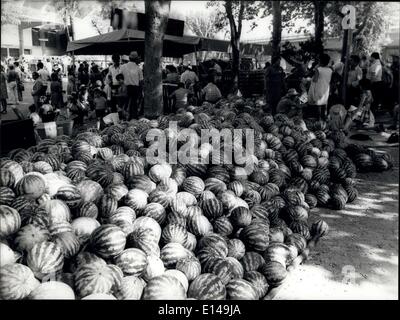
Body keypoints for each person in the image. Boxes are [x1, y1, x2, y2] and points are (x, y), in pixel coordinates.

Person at [306, 53, 333, 121]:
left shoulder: (318, 69)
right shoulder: (330, 70)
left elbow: (315, 80)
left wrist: (310, 78)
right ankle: (323, 120)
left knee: (318, 105)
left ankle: (319, 120)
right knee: (324, 104)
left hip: (318, 88)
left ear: (320, 61)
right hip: (326, 89)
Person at [120, 51, 143, 120]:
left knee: (125, 104)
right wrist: (140, 91)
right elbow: (141, 81)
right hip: (135, 88)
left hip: (125, 87)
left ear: (129, 58)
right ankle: (133, 118)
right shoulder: (138, 68)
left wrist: (122, 84)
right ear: (136, 59)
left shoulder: (123, 66)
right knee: (134, 104)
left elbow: (119, 77)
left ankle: (125, 118)